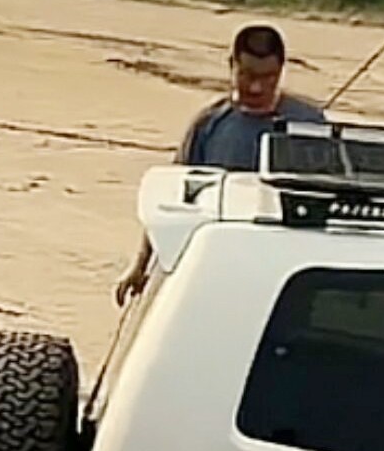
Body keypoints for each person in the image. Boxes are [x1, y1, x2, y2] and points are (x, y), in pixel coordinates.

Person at [114, 22, 326, 306]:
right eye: (247, 75)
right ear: (231, 66)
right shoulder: (209, 125)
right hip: (220, 268)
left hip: (285, 273)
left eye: (268, 77)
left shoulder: (309, 124)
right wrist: (140, 266)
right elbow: (170, 201)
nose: (256, 87)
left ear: (281, 71)